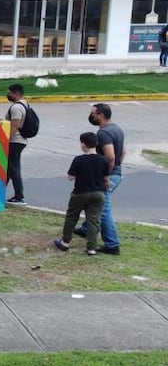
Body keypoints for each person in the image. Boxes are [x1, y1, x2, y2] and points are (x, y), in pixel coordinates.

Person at [75, 103, 125, 255]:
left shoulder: (103, 133)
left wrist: (106, 176)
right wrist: (117, 167)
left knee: (103, 210)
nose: (92, 116)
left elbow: (110, 156)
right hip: (117, 173)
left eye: (94, 114)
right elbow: (122, 152)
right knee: (95, 203)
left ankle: (112, 244)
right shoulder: (117, 129)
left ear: (101, 115)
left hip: (109, 176)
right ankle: (86, 229)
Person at [53, 131, 110, 256]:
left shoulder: (79, 160)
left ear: (84, 144)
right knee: (94, 221)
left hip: (80, 193)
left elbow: (70, 177)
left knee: (72, 217)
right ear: (96, 144)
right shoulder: (103, 160)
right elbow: (106, 179)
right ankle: (91, 248)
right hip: (98, 193)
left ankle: (65, 242)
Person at [4, 83, 29, 206]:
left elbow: (15, 126)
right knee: (9, 168)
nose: (8, 95)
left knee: (13, 169)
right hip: (19, 141)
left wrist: (5, 140)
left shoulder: (16, 108)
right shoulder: (25, 104)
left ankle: (19, 197)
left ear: (16, 94)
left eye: (10, 93)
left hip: (15, 141)